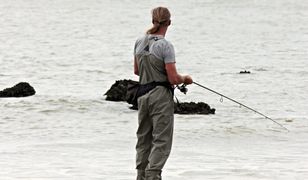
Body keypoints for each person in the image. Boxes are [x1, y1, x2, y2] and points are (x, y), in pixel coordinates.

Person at [133, 7, 193, 180]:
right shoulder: (165, 46)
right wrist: (186, 78)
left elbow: (137, 71)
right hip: (160, 96)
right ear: (169, 22)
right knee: (161, 140)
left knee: (143, 138)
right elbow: (173, 78)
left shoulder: (139, 41)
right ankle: (153, 176)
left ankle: (141, 176)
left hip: (142, 95)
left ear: (153, 20)